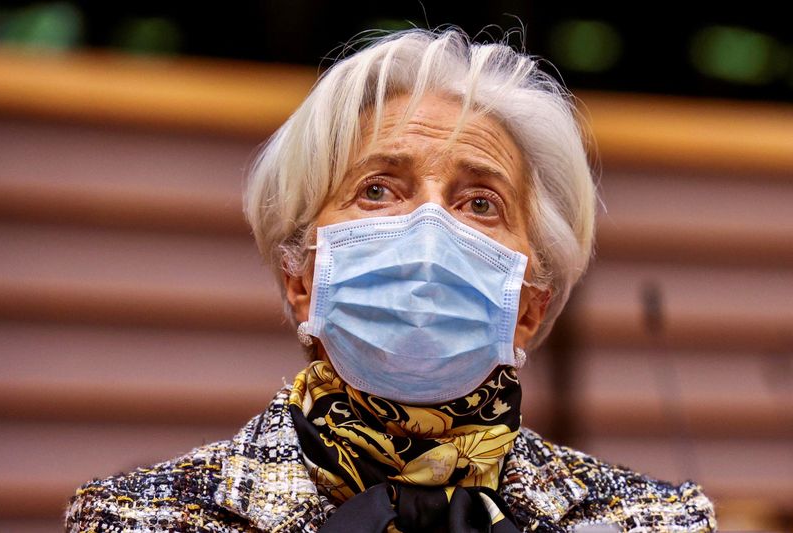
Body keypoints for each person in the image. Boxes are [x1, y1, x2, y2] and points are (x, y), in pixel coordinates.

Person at [64, 26, 717, 532]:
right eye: (378, 190)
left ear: (527, 305)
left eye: (479, 201)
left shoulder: (657, 521)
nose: (428, 231)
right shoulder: (143, 516)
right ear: (302, 279)